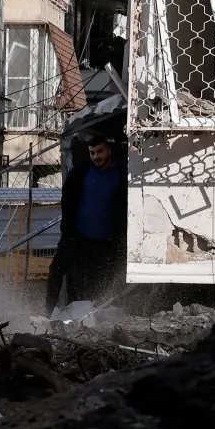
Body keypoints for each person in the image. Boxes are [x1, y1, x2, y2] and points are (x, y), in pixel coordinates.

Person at [45, 133, 127, 314]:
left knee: (97, 280)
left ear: (109, 151)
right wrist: (67, 230)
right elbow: (67, 202)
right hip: (76, 236)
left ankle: (92, 317)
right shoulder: (80, 174)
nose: (96, 157)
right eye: (92, 153)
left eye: (100, 152)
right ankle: (47, 313)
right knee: (56, 271)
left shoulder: (121, 175)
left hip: (105, 241)